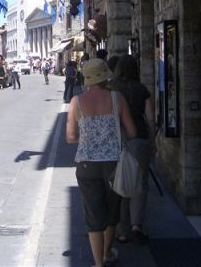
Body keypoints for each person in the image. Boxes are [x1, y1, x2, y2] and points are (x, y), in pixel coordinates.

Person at [66, 59, 137, 267]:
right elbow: (132, 132)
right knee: (111, 212)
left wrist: (89, 139)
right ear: (106, 76)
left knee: (93, 214)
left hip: (87, 164)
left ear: (87, 78)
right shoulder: (117, 99)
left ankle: (98, 264)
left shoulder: (76, 102)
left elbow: (70, 137)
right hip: (114, 164)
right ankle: (107, 253)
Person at [110, 54, 156, 243]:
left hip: (118, 140)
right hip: (140, 139)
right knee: (141, 182)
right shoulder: (142, 89)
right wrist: (153, 142)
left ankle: (121, 230)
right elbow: (151, 118)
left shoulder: (112, 89)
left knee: (119, 183)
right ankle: (136, 224)